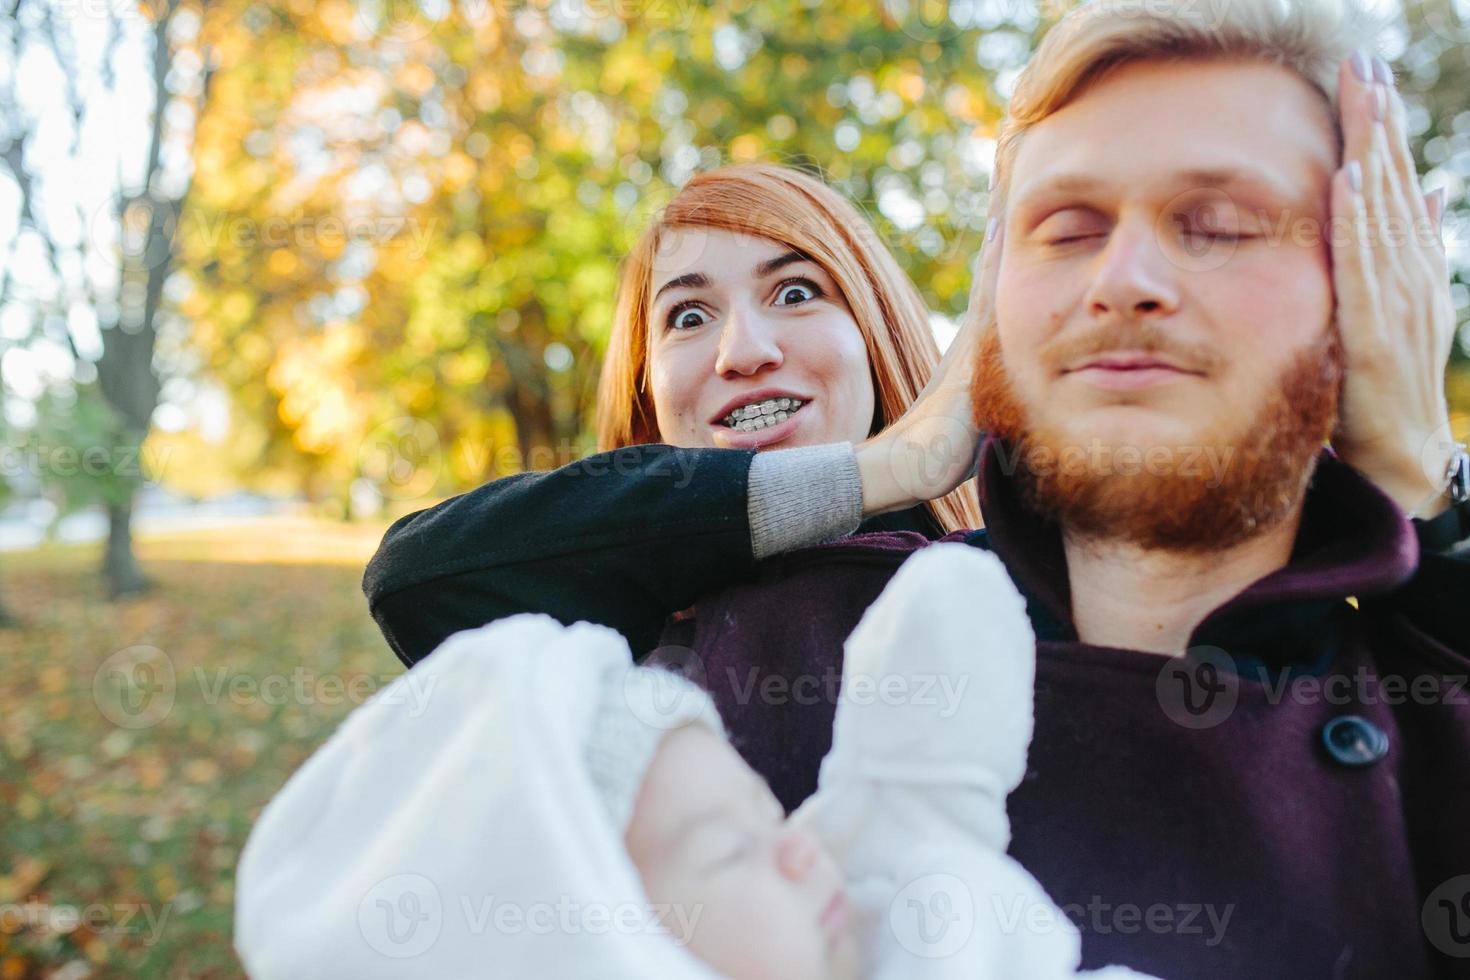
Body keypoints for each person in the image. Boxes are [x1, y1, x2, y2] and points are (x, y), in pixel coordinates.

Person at [363, 0, 1470, 973]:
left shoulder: (1429, 717)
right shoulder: (773, 648)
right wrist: (892, 460)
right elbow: (429, 583)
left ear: (1371, 291)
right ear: (993, 314)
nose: (1124, 279)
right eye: (1065, 230)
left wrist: (1418, 471)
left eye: (1218, 225)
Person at [236, 547, 1155, 979]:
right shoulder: (662, 596)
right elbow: (419, 570)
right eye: (728, 851)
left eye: (769, 818)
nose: (805, 848)